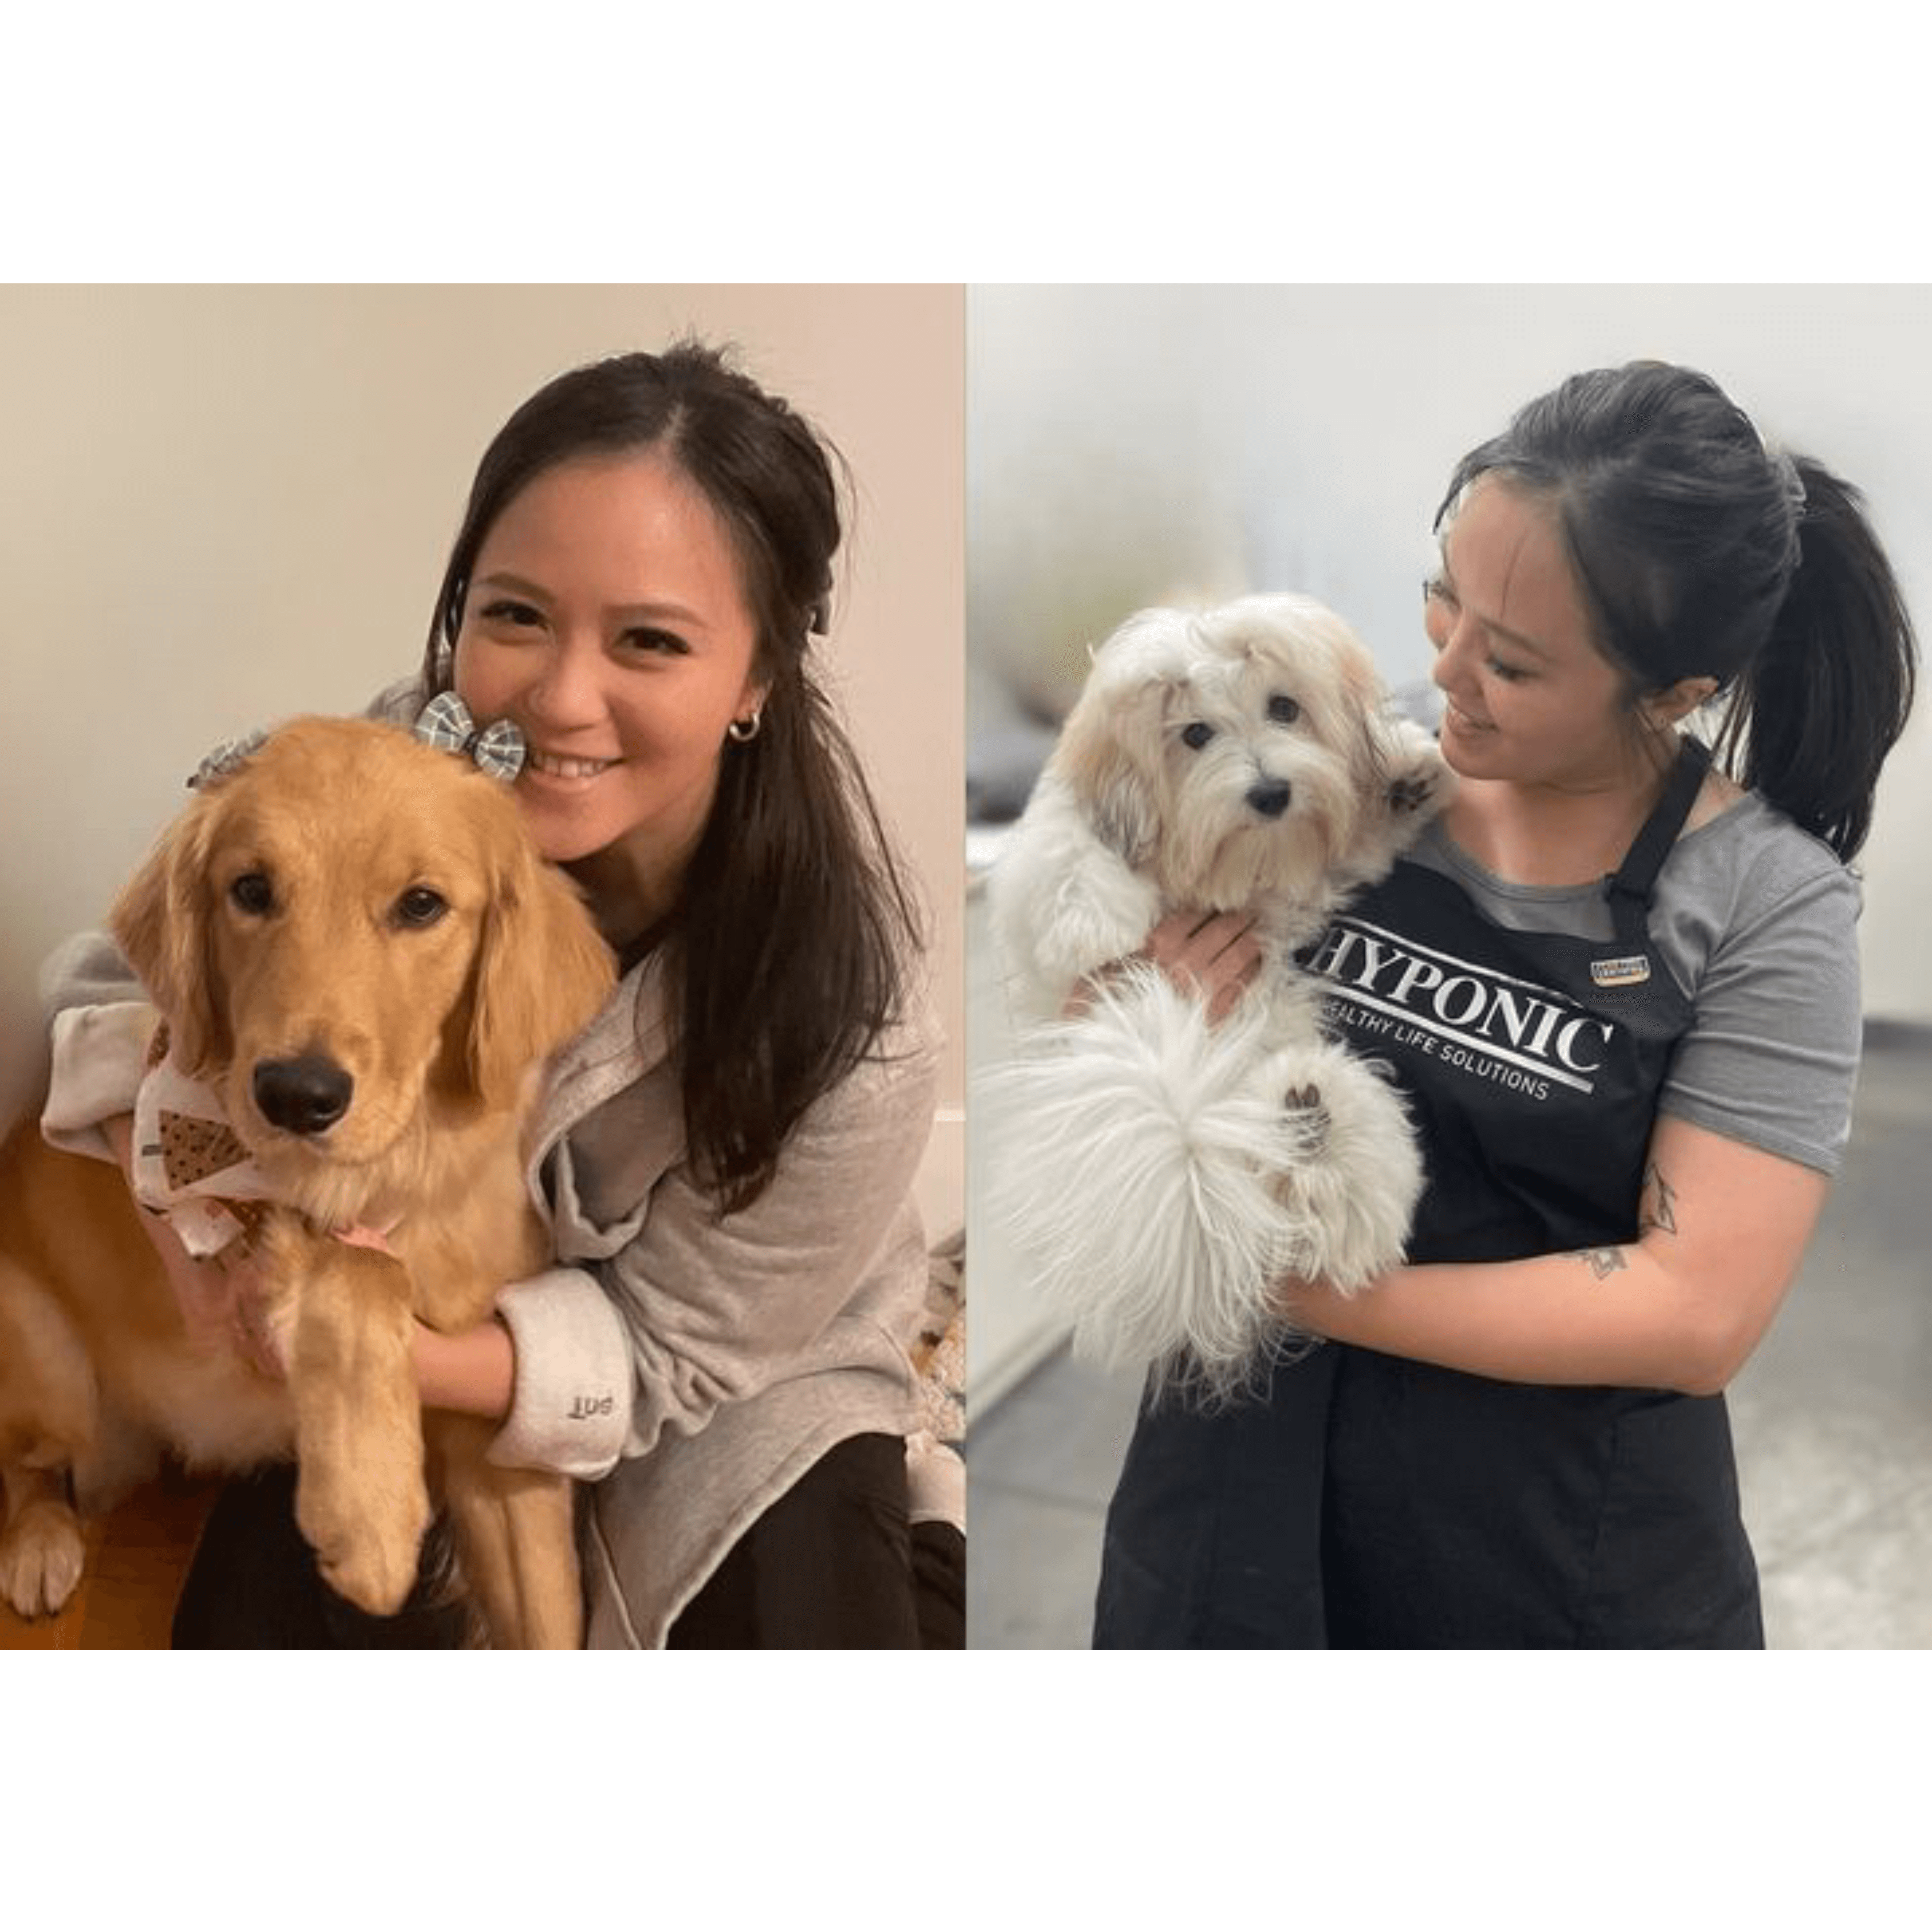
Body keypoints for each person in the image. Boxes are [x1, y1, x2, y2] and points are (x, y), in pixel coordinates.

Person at [39, 340, 965, 1648]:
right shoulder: (393, 773)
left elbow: (671, 1363)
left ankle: (931, 1518)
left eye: (649, 639)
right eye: (514, 614)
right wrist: (187, 1239)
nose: (556, 699)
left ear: (757, 676)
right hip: (420, 1280)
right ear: (458, 608)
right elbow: (122, 983)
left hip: (721, 1370)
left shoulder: (856, 1021)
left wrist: (376, 1355)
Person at [1091, 359, 1917, 1648]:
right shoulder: (1343, 772)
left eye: (1516, 665)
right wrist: (1148, 1029)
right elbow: (1103, 997)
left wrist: (1276, 1280)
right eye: (1443, 601)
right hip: (1220, 1513)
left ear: (1674, 693)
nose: (1450, 673)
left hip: (1538, 1561)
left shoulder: (1765, 902)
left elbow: (1691, 1311)